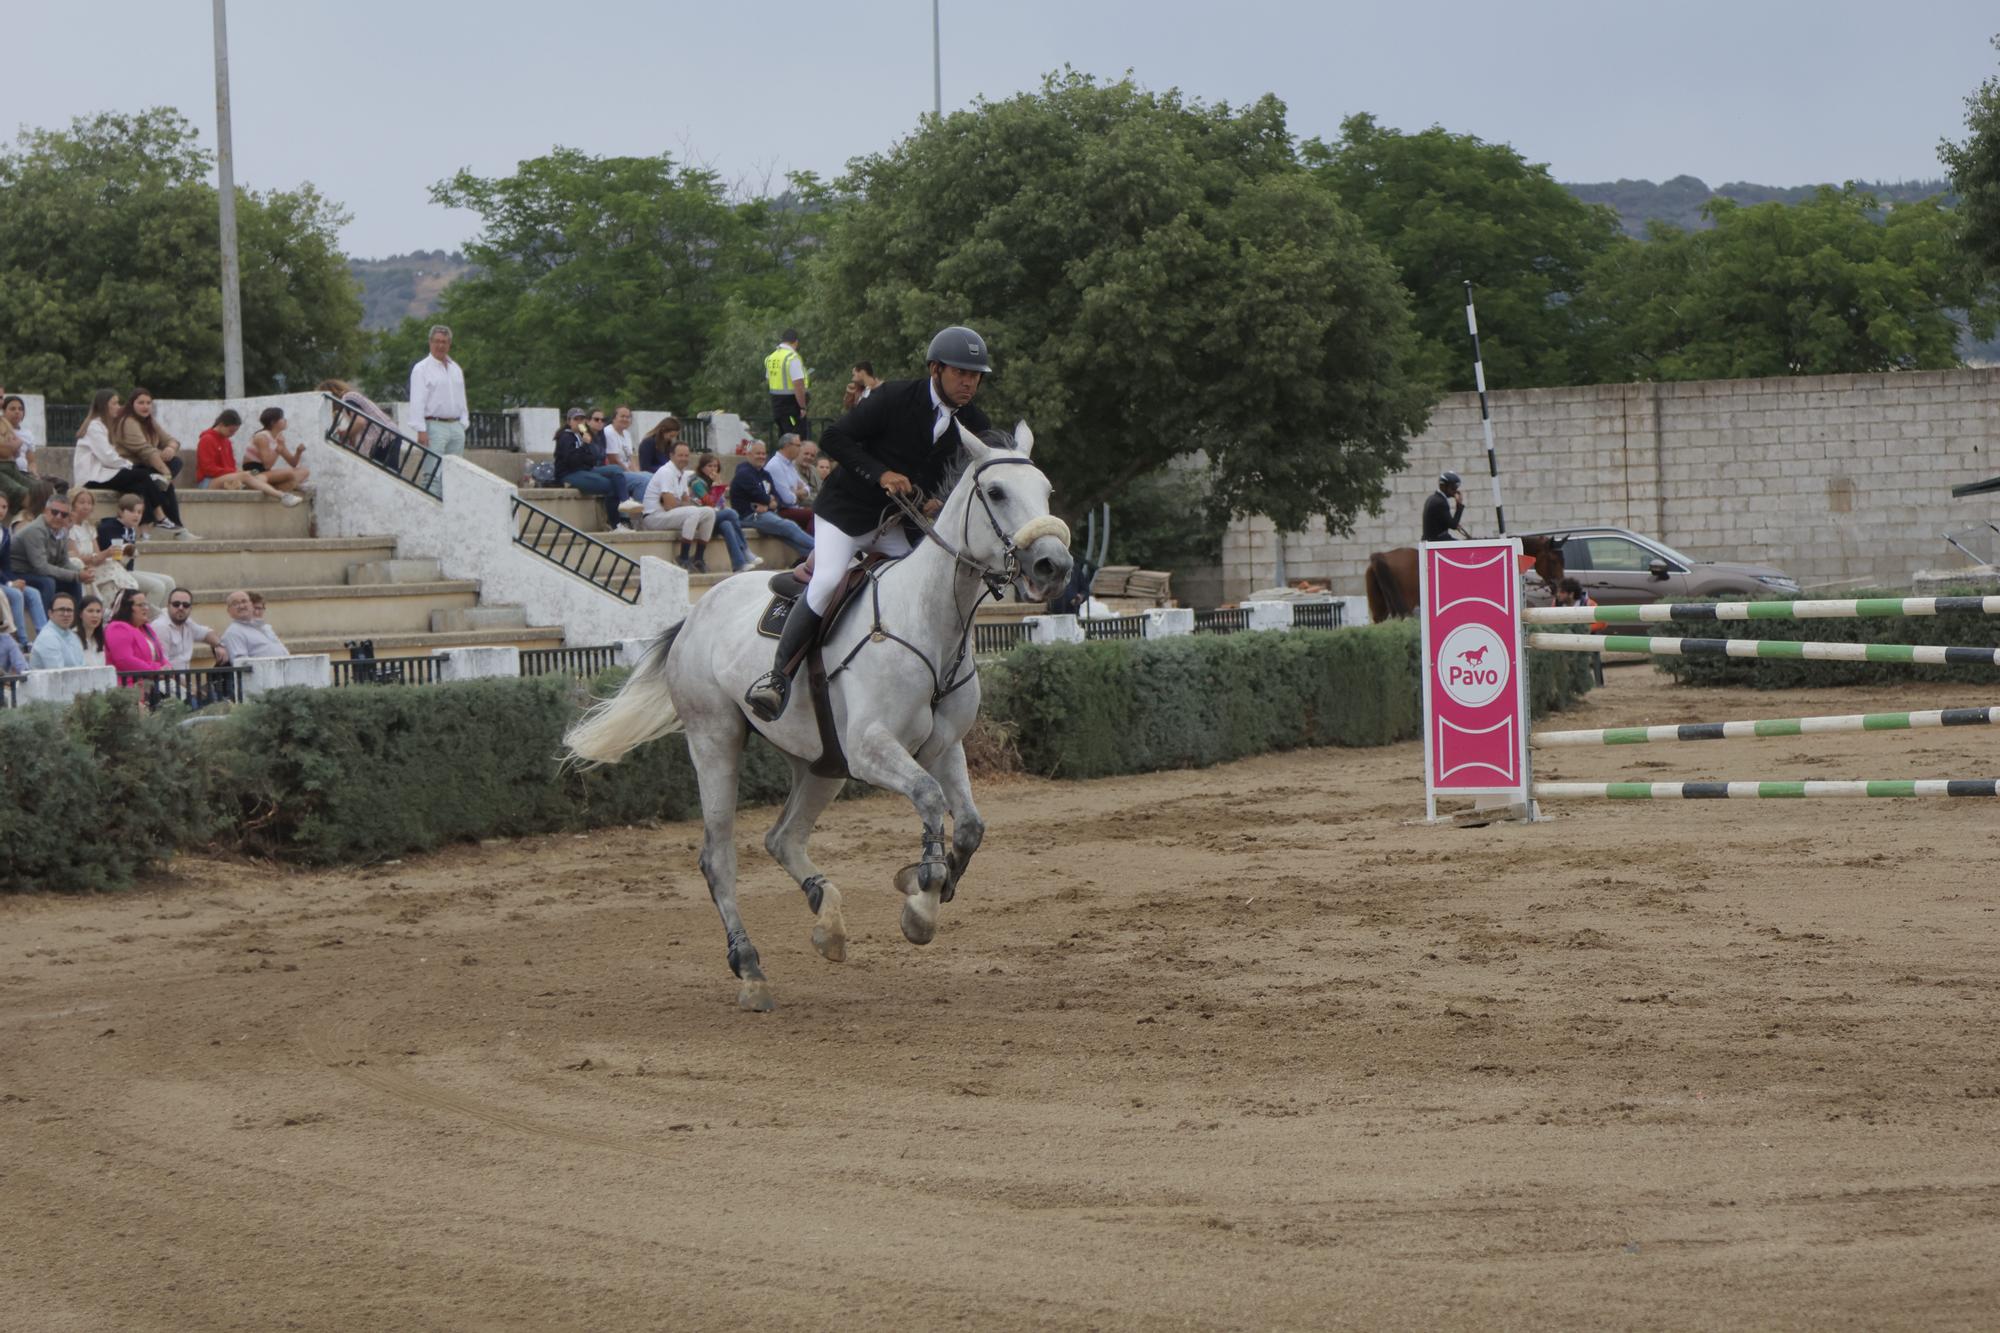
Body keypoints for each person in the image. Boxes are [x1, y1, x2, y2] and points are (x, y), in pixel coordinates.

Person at [745, 323, 994, 720]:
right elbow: (834, 437)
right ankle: (777, 679)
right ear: (935, 369)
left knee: (931, 587)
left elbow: (978, 475)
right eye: (961, 373)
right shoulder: (894, 396)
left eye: (976, 376)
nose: (969, 383)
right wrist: (881, 474)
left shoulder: (974, 421)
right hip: (847, 514)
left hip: (899, 524)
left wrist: (939, 500)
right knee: (827, 580)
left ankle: (928, 683)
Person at [108, 388, 199, 538]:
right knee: (163, 486)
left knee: (175, 462)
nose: (145, 406)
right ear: (132, 404)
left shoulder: (149, 421)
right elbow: (145, 450)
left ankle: (175, 526)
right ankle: (177, 529)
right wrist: (166, 473)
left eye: (149, 403)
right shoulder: (128, 422)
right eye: (141, 403)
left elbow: (171, 440)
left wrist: (170, 448)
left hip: (149, 465)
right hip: (132, 467)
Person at [86, 491, 176, 606]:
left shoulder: (131, 528)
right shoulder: (109, 527)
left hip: (128, 571)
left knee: (169, 581)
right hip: (114, 572)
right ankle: (143, 619)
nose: (137, 515)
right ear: (121, 512)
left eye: (139, 512)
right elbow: (115, 559)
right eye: (132, 511)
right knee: (157, 587)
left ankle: (158, 620)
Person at [729, 441, 814, 562]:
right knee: (789, 526)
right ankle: (821, 551)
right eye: (757, 453)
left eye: (764, 453)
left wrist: (768, 503)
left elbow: (777, 499)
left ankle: (812, 556)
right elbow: (762, 497)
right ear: (748, 454)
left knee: (786, 534)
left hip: (765, 513)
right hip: (748, 516)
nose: (762, 456)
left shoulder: (765, 474)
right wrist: (767, 501)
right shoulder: (744, 473)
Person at [639, 441, 719, 570]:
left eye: (686, 455)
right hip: (653, 517)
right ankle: (683, 557)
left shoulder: (681, 473)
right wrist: (679, 503)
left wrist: (678, 502)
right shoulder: (666, 471)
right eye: (680, 455)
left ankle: (698, 558)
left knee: (709, 512)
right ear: (671, 456)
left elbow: (684, 501)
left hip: (667, 514)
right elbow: (669, 505)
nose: (684, 459)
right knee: (693, 511)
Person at [553, 408, 630, 530]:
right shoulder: (565, 437)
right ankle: (616, 525)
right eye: (576, 419)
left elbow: (593, 458)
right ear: (569, 421)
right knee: (610, 486)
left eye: (582, 419)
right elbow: (572, 461)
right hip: (569, 473)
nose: (579, 422)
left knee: (615, 470)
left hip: (585, 469)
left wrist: (587, 445)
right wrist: (584, 446)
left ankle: (625, 502)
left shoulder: (582, 435)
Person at [407, 324, 469, 468]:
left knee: (455, 471)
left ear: (449, 344)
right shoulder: (421, 369)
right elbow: (417, 400)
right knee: (433, 472)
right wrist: (421, 430)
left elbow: (461, 397)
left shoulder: (455, 368)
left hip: (456, 426)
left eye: (444, 342)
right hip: (434, 426)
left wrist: (463, 423)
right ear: (430, 342)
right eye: (437, 341)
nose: (440, 345)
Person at [13, 489, 85, 608]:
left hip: (35, 572)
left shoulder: (62, 531)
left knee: (73, 581)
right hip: (18, 573)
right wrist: (76, 575)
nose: (58, 517)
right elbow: (41, 568)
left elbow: (63, 562)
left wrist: (80, 573)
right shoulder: (35, 530)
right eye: (55, 512)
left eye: (64, 514)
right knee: (48, 582)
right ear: (46, 511)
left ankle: (75, 622)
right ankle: (47, 623)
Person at [690, 452, 761, 573]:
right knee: (731, 513)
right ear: (702, 468)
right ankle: (745, 550)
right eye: (710, 466)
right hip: (702, 519)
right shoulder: (696, 483)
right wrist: (717, 486)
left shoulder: (712, 482)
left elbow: (721, 504)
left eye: (715, 466)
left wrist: (717, 486)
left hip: (714, 519)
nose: (713, 469)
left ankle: (739, 564)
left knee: (727, 525)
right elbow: (709, 503)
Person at [0, 490, 48, 648]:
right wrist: (9, 584)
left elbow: (6, 564)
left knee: (33, 593)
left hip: (4, 580)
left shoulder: (4, 533)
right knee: (15, 594)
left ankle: (44, 638)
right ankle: (21, 640)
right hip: (2, 585)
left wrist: (13, 580)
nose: (1, 510)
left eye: (4, 507)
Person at [318, 378, 402, 468]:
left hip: (385, 437)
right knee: (388, 471)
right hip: (388, 435)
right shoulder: (350, 401)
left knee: (388, 473)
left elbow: (360, 422)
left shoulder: (347, 399)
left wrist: (345, 434)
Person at [103, 590, 169, 693]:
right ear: (127, 608)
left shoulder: (146, 628)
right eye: (140, 605)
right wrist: (155, 670)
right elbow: (125, 660)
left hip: (151, 686)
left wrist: (167, 668)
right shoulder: (117, 628)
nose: (146, 608)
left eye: (146, 604)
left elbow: (159, 656)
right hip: (128, 690)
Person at [244, 407, 311, 499]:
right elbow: (267, 465)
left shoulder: (278, 438)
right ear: (273, 422)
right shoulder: (262, 437)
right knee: (289, 474)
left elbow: (293, 463)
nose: (285, 420)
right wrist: (278, 448)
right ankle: (286, 486)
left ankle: (278, 486)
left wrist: (298, 451)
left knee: (305, 471)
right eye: (282, 418)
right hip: (254, 472)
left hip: (267, 473)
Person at [157, 589, 230, 670]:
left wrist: (219, 645)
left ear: (190, 608)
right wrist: (186, 683)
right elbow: (163, 666)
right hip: (169, 680)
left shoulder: (187, 623)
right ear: (168, 606)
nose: (181, 608)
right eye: (176, 604)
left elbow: (207, 633)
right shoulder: (161, 627)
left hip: (183, 678)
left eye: (185, 605)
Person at [599, 406, 650, 507]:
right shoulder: (609, 432)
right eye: (622, 416)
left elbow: (631, 458)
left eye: (628, 417)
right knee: (642, 480)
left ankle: (649, 511)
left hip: (626, 470)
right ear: (614, 418)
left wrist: (637, 472)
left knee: (651, 477)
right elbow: (613, 459)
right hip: (617, 473)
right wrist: (632, 473)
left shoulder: (626, 434)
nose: (625, 419)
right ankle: (636, 516)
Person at [219, 588, 287, 661]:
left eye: (244, 601)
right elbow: (242, 664)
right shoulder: (233, 633)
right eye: (235, 604)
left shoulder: (264, 628)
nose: (241, 606)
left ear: (251, 605)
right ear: (229, 611)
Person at [764, 328, 809, 442]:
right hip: (791, 405)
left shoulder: (771, 357)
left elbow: (769, 379)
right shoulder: (792, 357)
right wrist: (802, 407)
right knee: (796, 439)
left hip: (776, 404)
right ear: (796, 342)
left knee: (784, 438)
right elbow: (798, 385)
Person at [764, 433, 815, 532]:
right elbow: (787, 499)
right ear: (787, 446)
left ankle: (811, 544)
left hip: (794, 508)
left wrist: (795, 492)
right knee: (815, 516)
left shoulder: (789, 464)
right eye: (798, 445)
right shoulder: (775, 465)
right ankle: (811, 546)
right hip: (780, 511)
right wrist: (798, 493)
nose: (800, 449)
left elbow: (807, 488)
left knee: (820, 515)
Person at [28, 591, 84, 669]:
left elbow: (83, 666)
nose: (66, 614)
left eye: (69, 610)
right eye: (61, 610)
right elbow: (58, 674)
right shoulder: (47, 637)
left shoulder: (73, 636)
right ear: (50, 613)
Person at [1422, 471, 1470, 544]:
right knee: (1465, 547)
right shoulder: (1440, 502)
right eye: (1453, 488)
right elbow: (1453, 525)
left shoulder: (1432, 498)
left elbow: (1444, 522)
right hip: (1437, 540)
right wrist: (1459, 505)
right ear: (1443, 486)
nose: (1455, 491)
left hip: (1431, 539)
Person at [0, 399, 28, 508]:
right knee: (23, 493)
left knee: (43, 489)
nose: (1, 401)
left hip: (12, 467)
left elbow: (16, 449)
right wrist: (15, 444)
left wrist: (14, 445)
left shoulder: (3, 422)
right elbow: (6, 451)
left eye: (1, 397)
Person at [2, 394, 37, 476]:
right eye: (12, 409)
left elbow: (31, 462)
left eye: (20, 409)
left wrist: (33, 471)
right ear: (4, 411)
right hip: (7, 474)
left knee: (60, 484)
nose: (17, 412)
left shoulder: (27, 434)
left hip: (25, 474)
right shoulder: (2, 431)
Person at [74, 594, 108, 667]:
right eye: (90, 611)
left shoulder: (99, 639)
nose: (95, 615)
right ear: (80, 614)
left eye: (98, 611)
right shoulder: (73, 637)